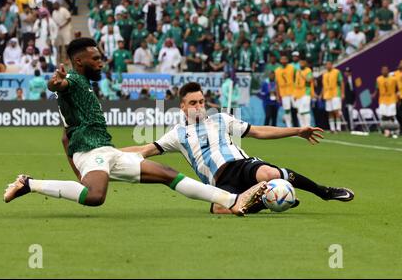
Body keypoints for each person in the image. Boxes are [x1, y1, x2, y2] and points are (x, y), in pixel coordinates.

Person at [3, 38, 264, 217]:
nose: (101, 62)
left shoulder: (82, 85)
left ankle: (231, 200)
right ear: (79, 62)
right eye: (96, 59)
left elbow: (64, 138)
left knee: (167, 173)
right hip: (93, 152)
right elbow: (59, 85)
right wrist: (55, 84)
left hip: (104, 152)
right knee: (95, 197)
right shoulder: (73, 79)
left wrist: (77, 167)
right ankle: (29, 184)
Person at [121, 82, 354, 215]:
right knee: (220, 209)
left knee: (270, 174)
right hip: (219, 180)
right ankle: (268, 199)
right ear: (182, 107)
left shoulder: (221, 119)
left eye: (202, 101)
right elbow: (145, 149)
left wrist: (296, 131)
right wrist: (108, 153)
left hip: (242, 166)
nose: (199, 106)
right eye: (193, 103)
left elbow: (259, 131)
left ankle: (325, 192)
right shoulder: (177, 134)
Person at [372, 66, 399, 138]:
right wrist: (374, 94)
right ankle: (387, 131)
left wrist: (398, 96)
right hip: (382, 100)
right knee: (384, 116)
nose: (384, 71)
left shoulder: (393, 79)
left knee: (391, 116)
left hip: (392, 99)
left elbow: (397, 89)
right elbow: (377, 89)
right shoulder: (378, 79)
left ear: (388, 71)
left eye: (385, 70)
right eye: (383, 70)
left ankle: (394, 130)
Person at [321, 62, 345, 133]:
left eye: (329, 64)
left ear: (332, 65)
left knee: (336, 111)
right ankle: (332, 128)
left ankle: (338, 128)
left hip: (335, 94)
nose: (328, 66)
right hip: (327, 95)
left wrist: (343, 93)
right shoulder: (324, 74)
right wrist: (321, 94)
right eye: (326, 65)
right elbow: (324, 86)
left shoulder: (337, 72)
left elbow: (341, 82)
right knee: (330, 112)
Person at [274, 55, 295, 127]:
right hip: (284, 93)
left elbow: (296, 79)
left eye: (285, 59)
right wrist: (277, 95)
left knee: (297, 107)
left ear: (287, 60)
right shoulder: (277, 71)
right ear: (280, 61)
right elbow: (276, 84)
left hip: (293, 91)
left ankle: (286, 118)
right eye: (282, 59)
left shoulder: (292, 68)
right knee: (287, 109)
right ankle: (289, 126)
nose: (283, 61)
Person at [293, 59, 314, 127]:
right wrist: (295, 94)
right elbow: (296, 84)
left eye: (303, 62)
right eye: (300, 62)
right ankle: (302, 127)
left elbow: (309, 80)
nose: (301, 64)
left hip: (306, 92)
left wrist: (302, 75)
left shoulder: (308, 70)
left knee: (305, 109)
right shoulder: (297, 72)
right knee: (299, 111)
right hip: (298, 94)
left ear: (305, 63)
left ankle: (308, 126)